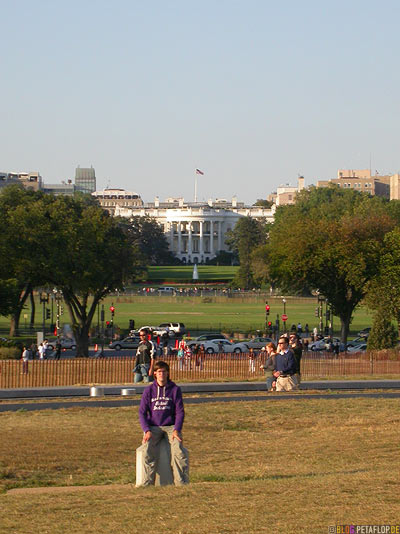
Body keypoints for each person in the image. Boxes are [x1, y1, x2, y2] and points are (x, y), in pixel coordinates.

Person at [138, 360, 189, 486]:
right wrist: (146, 430)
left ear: (167, 373)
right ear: (155, 374)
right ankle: (147, 483)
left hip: (171, 427)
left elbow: (180, 412)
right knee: (147, 450)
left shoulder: (175, 390)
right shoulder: (149, 390)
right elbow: (142, 413)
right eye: (159, 372)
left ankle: (181, 483)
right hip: (153, 427)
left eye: (164, 372)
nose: (162, 374)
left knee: (178, 451)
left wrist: (177, 429)